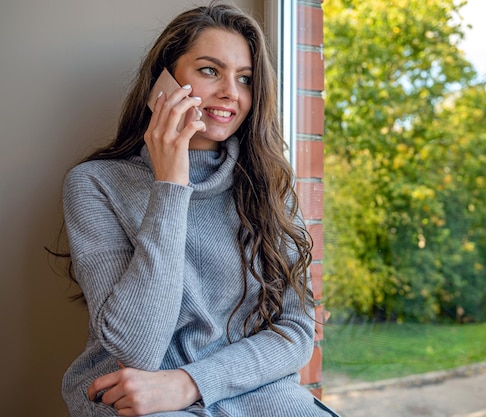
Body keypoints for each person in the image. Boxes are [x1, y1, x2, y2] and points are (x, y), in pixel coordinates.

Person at [60, 2, 333, 416]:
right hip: (131, 395)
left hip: (247, 388)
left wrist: (191, 383)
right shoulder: (96, 184)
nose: (230, 93)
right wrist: (170, 184)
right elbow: (136, 348)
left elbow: (295, 331)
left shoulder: (270, 184)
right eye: (210, 70)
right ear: (163, 81)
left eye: (244, 79)